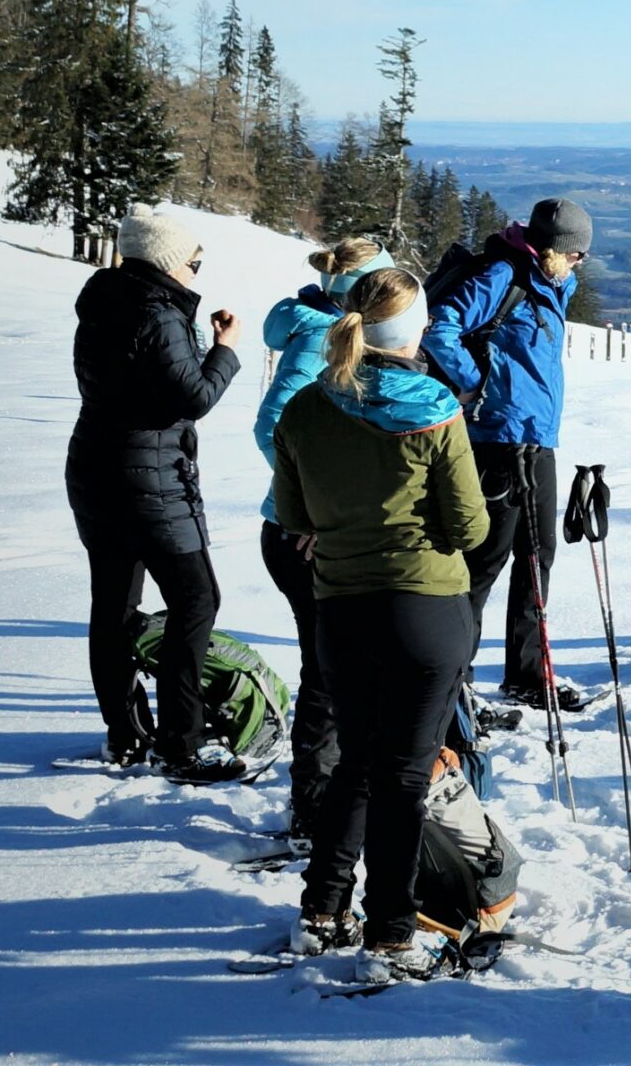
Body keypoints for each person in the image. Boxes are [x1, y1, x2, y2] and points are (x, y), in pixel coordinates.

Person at [273, 267, 489, 976]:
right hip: (426, 608)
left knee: (357, 764)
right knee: (403, 775)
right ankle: (392, 934)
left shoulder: (307, 406)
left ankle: (322, 910)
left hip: (341, 608)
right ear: (414, 330)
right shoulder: (433, 408)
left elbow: (296, 515)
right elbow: (469, 527)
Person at [66, 209, 247, 782]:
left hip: (95, 468)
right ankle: (180, 745)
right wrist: (225, 349)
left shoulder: (104, 299)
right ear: (168, 263)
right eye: (194, 262)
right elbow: (193, 398)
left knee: (114, 604)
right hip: (150, 479)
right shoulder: (159, 313)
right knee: (197, 600)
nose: (196, 272)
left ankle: (125, 734)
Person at [420, 198, 589, 709]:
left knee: (538, 557)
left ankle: (527, 676)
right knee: (484, 562)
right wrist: (478, 385)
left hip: (538, 439)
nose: (580, 261)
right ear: (554, 248)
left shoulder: (550, 281)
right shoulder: (503, 275)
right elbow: (440, 326)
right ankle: (457, 685)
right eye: (576, 252)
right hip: (498, 440)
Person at [252, 236, 389, 837]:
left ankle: (334, 797)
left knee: (342, 667)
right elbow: (272, 425)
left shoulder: (346, 333)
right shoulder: (320, 338)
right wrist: (309, 508)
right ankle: (314, 807)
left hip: (325, 530)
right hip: (303, 536)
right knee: (328, 671)